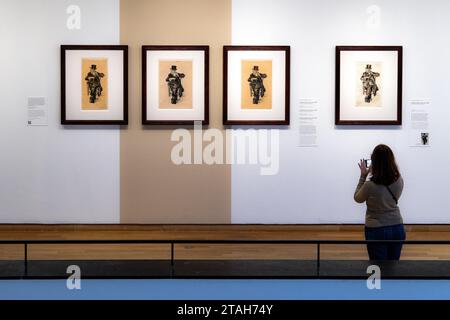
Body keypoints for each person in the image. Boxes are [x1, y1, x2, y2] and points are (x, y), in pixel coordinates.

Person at [354, 144, 406, 260]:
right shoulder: (399, 180)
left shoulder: (370, 186)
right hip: (397, 227)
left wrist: (363, 176)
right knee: (393, 265)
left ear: (374, 162)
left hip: (376, 229)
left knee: (378, 267)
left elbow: (357, 198)